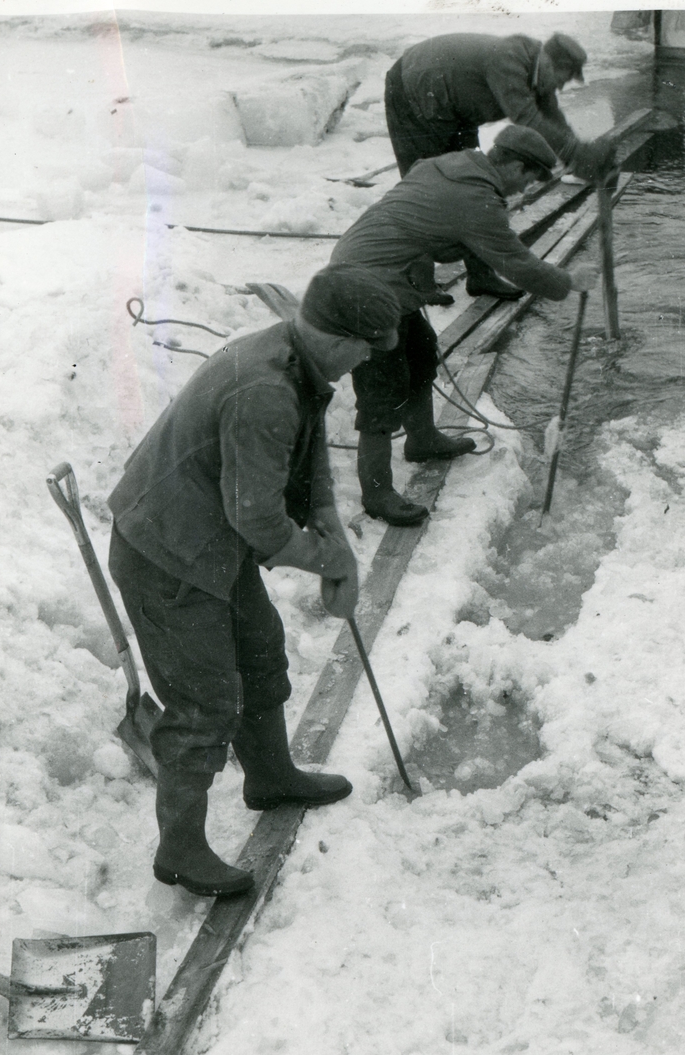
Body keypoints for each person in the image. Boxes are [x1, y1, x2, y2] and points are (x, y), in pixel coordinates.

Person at [107, 266, 402, 898]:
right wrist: (326, 563)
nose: (363, 363)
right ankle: (180, 850)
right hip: (167, 552)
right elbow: (259, 518)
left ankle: (268, 776)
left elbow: (311, 457)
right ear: (338, 338)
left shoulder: (298, 361)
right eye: (364, 349)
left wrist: (336, 543)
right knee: (204, 701)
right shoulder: (264, 388)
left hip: (210, 539)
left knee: (260, 652)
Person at [330, 124, 599, 527]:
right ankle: (378, 493)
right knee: (381, 392)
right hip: (364, 289)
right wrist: (568, 281)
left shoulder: (452, 163)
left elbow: (430, 222)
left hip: (381, 274)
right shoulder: (477, 200)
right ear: (513, 164)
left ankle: (421, 440)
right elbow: (519, 264)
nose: (526, 189)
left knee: (421, 351)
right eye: (529, 177)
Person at [385, 31, 613, 298]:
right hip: (411, 94)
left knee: (478, 185)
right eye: (564, 79)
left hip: (454, 108)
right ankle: (419, 285)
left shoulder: (539, 76)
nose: (561, 88)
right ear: (552, 64)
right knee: (425, 191)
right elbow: (526, 118)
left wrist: (580, 157)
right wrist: (577, 153)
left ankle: (481, 276)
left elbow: (553, 121)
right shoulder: (508, 60)